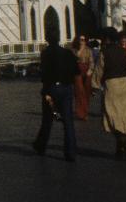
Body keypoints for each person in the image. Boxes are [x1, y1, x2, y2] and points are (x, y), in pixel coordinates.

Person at [33, 31, 78, 161]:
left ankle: (41, 146)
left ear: (47, 40)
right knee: (68, 122)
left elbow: (45, 73)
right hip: (66, 88)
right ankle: (70, 152)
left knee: (47, 119)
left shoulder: (46, 53)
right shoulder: (67, 53)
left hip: (51, 88)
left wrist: (46, 91)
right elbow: (76, 70)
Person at [101, 30, 126, 160]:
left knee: (113, 113)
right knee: (125, 113)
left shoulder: (104, 53)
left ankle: (122, 142)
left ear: (107, 39)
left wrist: (94, 86)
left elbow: (98, 71)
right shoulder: (124, 51)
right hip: (125, 84)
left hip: (111, 84)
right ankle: (122, 143)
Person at [72, 36, 93, 121]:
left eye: (84, 40)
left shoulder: (89, 50)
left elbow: (91, 61)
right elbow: (75, 58)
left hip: (87, 69)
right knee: (79, 91)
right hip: (78, 70)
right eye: (81, 40)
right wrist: (80, 49)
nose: (83, 41)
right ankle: (81, 113)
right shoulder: (74, 50)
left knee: (87, 91)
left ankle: (85, 110)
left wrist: (90, 70)